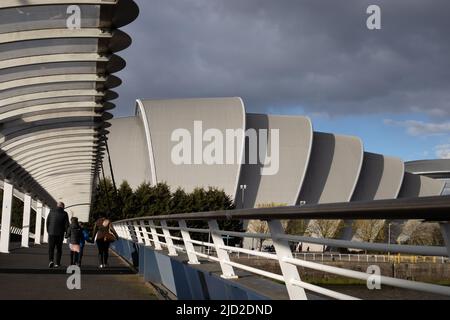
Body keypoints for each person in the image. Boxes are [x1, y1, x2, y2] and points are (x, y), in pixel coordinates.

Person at [46, 202, 69, 268]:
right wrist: (67, 233)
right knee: (59, 248)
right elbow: (66, 225)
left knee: (51, 248)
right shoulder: (65, 213)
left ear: (57, 206)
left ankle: (51, 261)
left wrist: (48, 231)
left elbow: (48, 222)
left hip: (51, 233)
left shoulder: (51, 212)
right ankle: (57, 263)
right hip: (60, 234)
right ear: (63, 206)